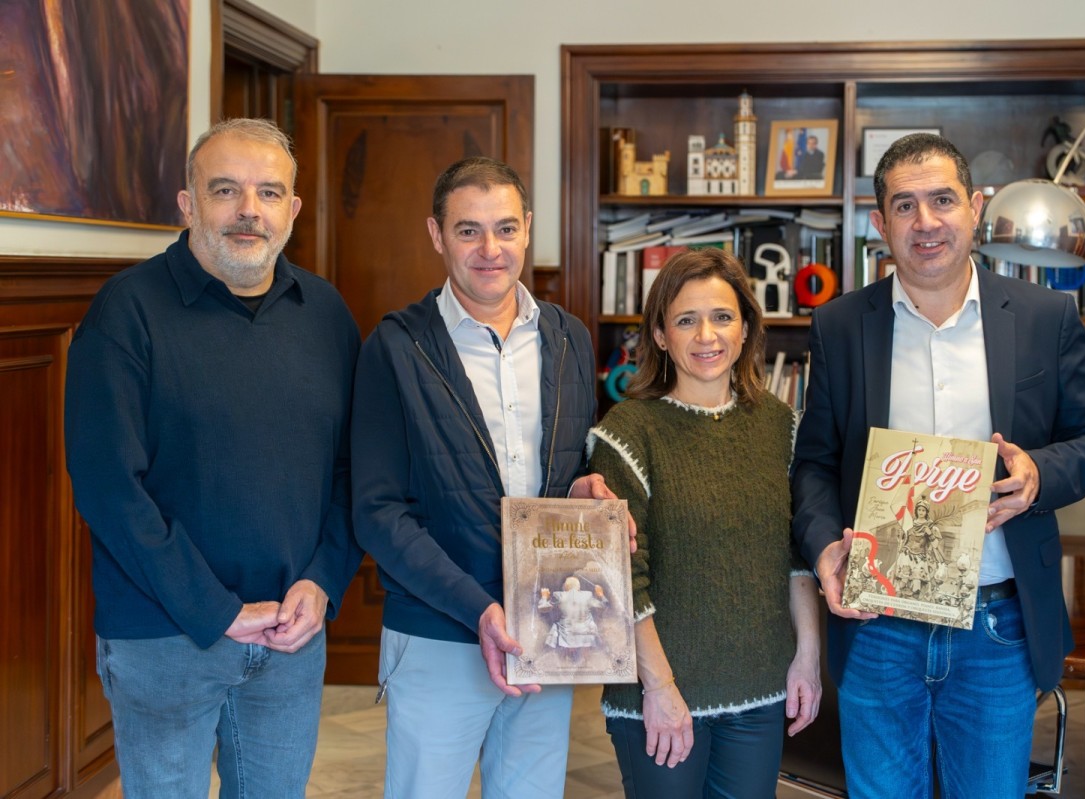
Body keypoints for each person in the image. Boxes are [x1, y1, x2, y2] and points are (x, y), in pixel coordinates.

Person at [792, 132, 1085, 797]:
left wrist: (1036, 475)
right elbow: (814, 467)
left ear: (975, 207)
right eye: (905, 206)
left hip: (997, 626)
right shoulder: (839, 326)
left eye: (942, 199)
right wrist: (825, 543)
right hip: (879, 624)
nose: (926, 222)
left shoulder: (1043, 317)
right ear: (880, 223)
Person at [63, 118, 362, 798]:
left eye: (268, 192)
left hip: (291, 632)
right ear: (188, 202)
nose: (248, 210)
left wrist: (323, 580)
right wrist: (214, 609)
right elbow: (109, 487)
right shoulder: (126, 312)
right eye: (225, 189)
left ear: (294, 209)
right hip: (165, 638)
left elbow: (353, 471)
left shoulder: (326, 314)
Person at [351, 156, 621, 799]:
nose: (489, 249)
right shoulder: (395, 347)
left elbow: (569, 467)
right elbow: (377, 511)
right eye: (468, 230)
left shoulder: (568, 338)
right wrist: (480, 609)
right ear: (436, 235)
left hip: (544, 629)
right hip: (439, 630)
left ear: (528, 229)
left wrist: (585, 489)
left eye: (504, 228)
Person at [588, 247, 822, 798]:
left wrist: (807, 659)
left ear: (745, 329)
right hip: (659, 696)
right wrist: (661, 688)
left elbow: (795, 557)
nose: (706, 336)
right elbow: (622, 577)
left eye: (722, 317)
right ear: (661, 336)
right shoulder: (628, 431)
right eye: (685, 320)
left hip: (760, 692)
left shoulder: (780, 424)